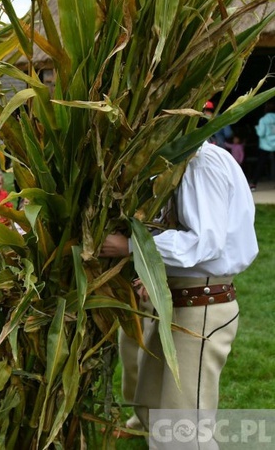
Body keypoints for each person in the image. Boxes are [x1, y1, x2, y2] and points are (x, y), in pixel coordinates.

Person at [100, 138, 257, 438]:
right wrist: (154, 273)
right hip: (179, 302)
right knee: (150, 406)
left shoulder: (201, 163)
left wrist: (132, 247)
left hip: (202, 305)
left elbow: (204, 241)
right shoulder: (180, 161)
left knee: (183, 431)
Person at [250, 100, 275, 191]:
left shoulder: (263, 120)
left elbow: (261, 133)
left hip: (266, 145)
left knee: (260, 164)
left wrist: (256, 128)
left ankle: (254, 184)